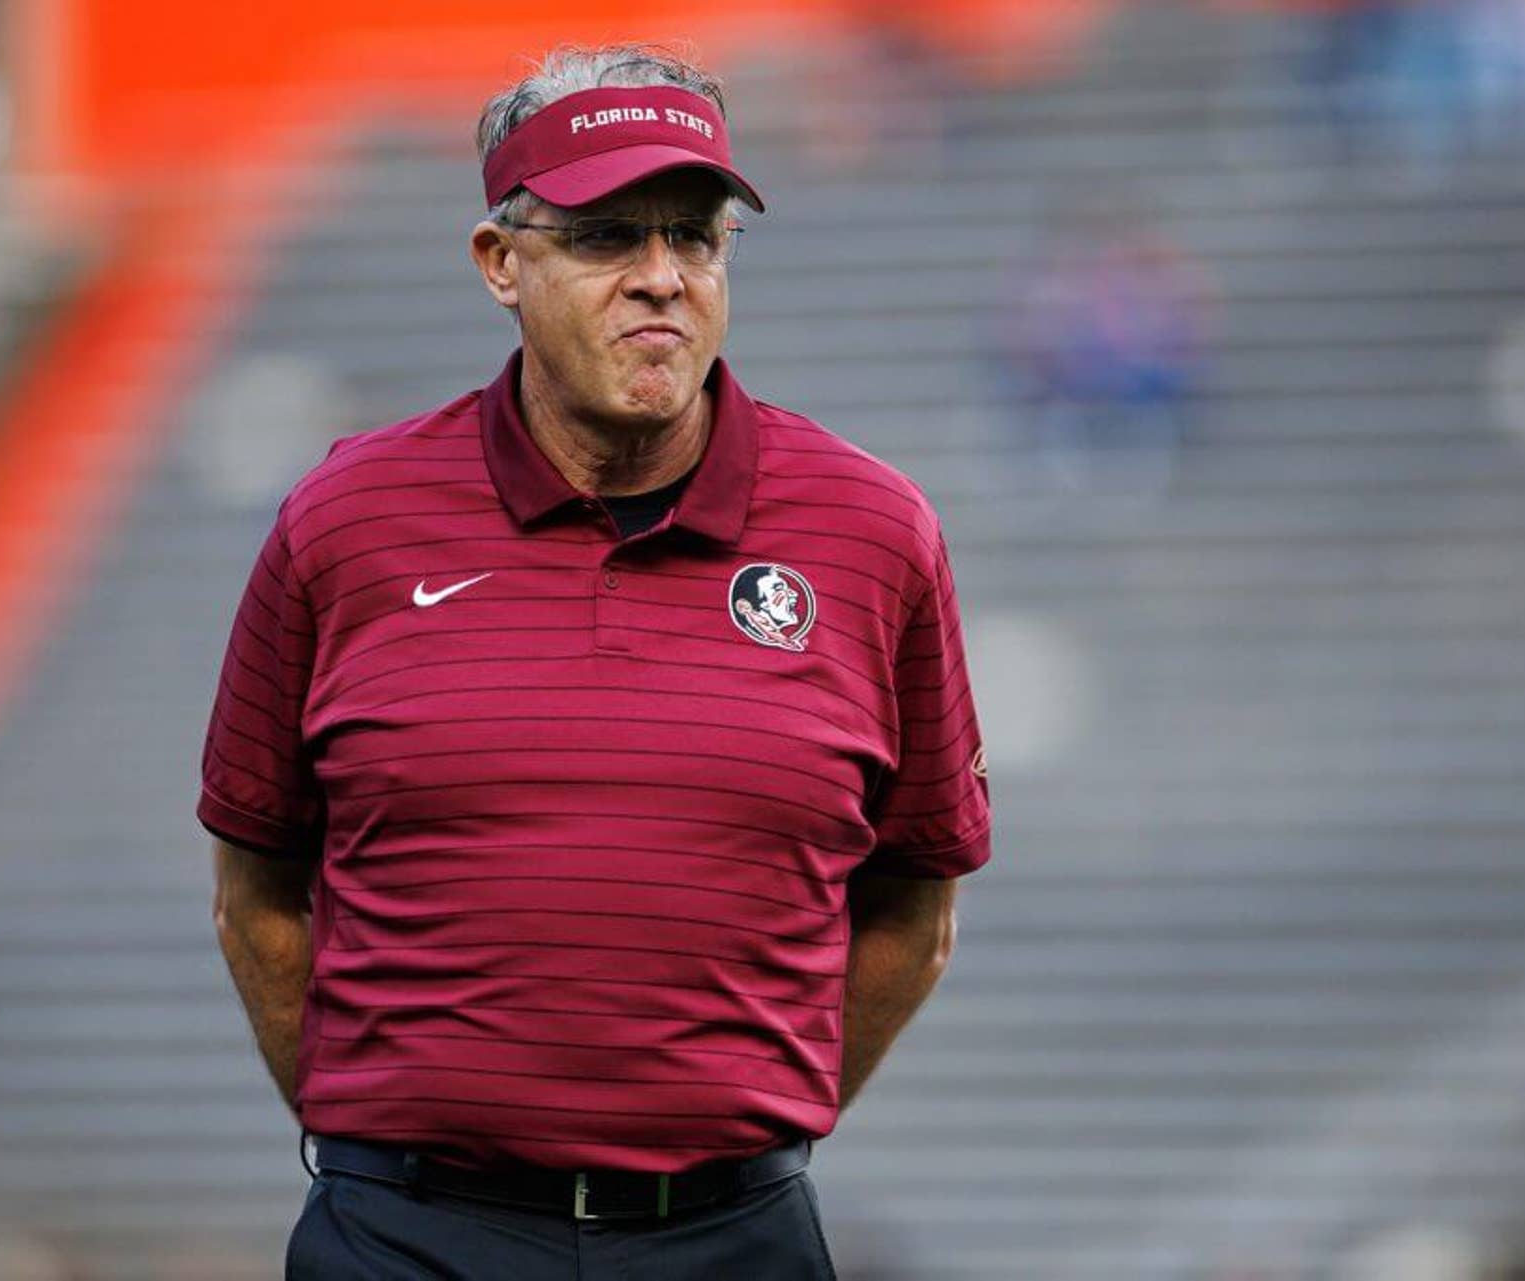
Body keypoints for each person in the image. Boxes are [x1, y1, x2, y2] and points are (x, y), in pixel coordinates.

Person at [199, 44, 992, 1281]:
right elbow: (256, 886)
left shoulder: (875, 533)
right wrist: (386, 1139)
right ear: (501, 263)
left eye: (697, 235)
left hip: (733, 1238)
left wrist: (735, 1126)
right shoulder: (345, 521)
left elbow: (915, 911)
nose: (664, 279)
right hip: (407, 1235)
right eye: (609, 237)